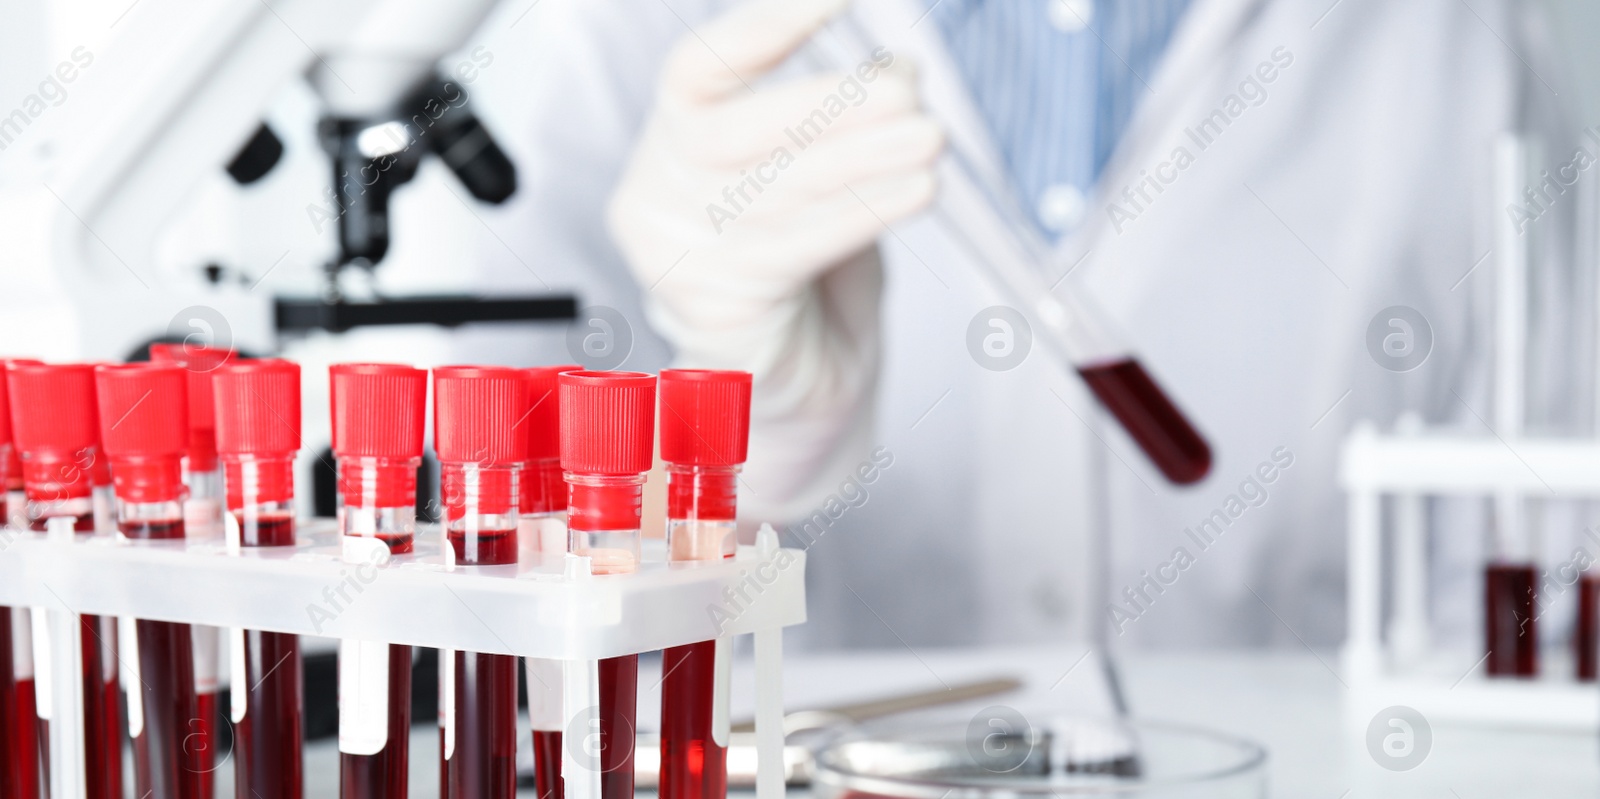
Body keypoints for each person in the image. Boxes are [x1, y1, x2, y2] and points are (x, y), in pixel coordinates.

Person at [479, 0, 1581, 653]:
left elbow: (1532, 596)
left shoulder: (1462, 34)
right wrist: (755, 445)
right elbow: (498, 622)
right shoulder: (591, 32)